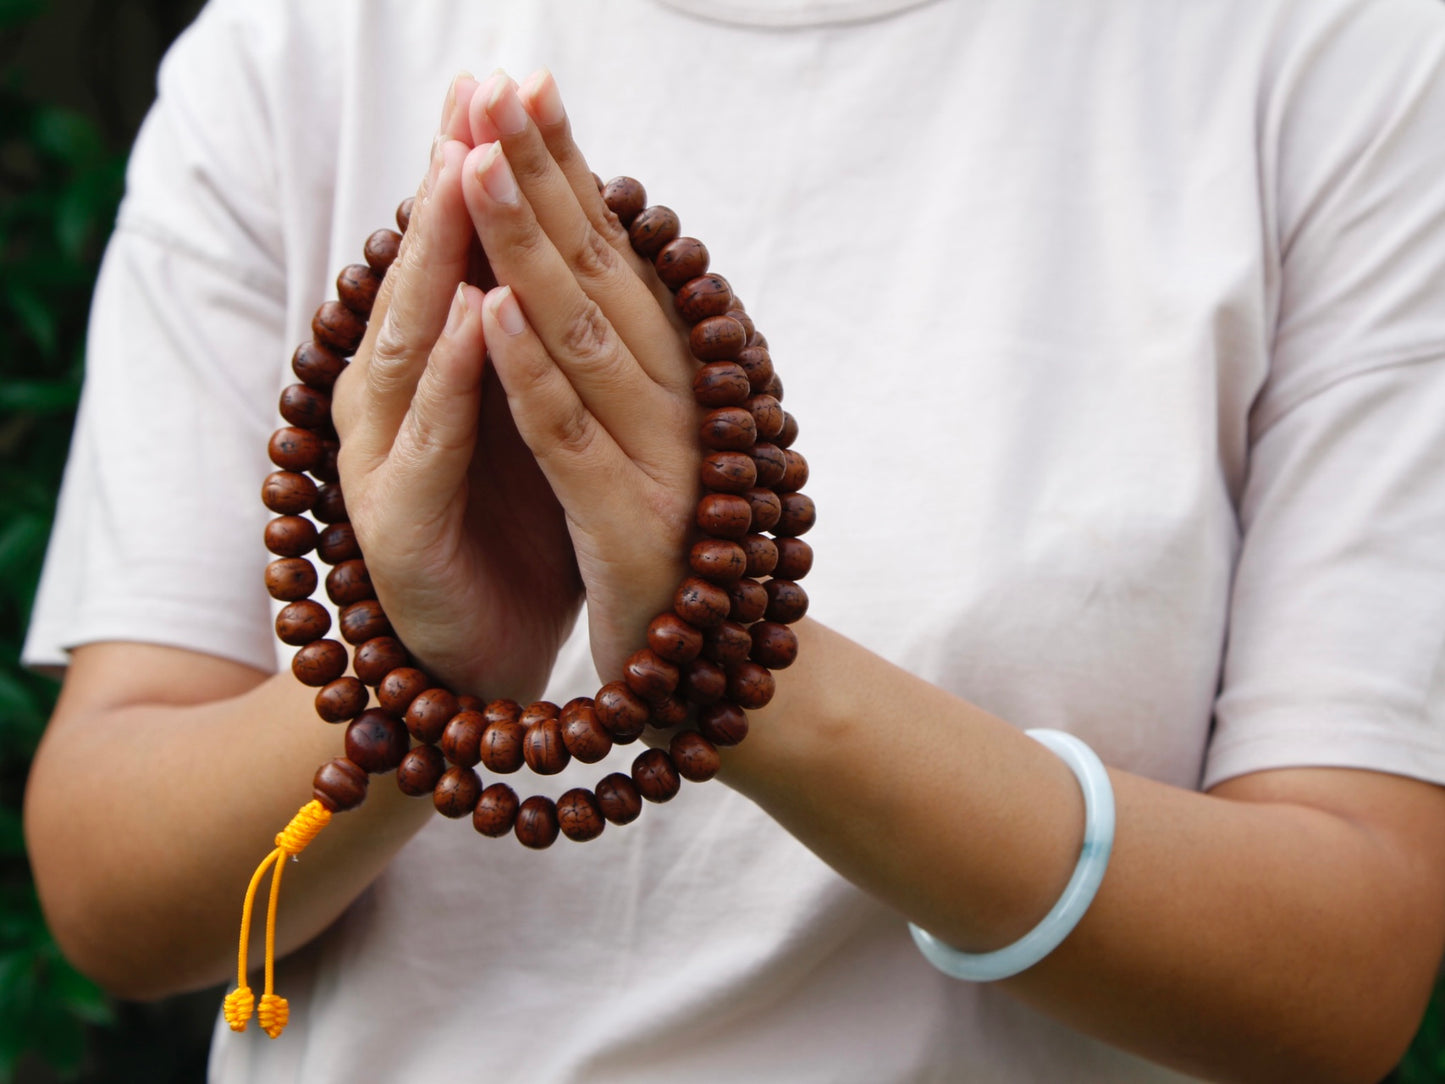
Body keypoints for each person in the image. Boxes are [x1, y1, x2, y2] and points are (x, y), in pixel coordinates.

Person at [21, 0, 1445, 1079]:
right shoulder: (302, 45)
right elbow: (113, 890)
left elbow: (1342, 970)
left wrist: (730, 654)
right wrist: (425, 671)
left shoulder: (1336, 60)